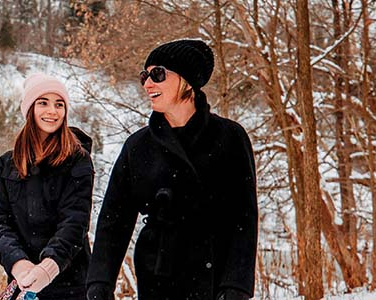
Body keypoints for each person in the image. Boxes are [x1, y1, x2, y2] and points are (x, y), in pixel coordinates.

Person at [86, 39, 257, 300]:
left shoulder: (229, 137)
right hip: (157, 272)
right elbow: (114, 220)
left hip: (215, 273)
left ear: (187, 81)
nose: (147, 84)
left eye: (158, 74)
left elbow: (243, 218)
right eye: (145, 76)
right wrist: (99, 282)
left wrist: (236, 286)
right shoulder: (138, 146)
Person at [0, 73, 94, 299]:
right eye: (43, 103)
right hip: (23, 281)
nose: (52, 111)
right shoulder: (8, 164)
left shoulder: (78, 160)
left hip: (71, 283)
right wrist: (19, 264)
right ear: (30, 110)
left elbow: (75, 221)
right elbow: (1, 222)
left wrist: (48, 268)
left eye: (59, 104)